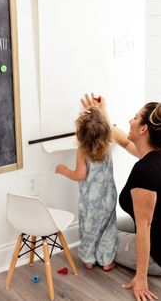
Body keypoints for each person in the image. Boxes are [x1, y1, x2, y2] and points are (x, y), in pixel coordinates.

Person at [81, 93, 161, 301]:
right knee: (102, 224)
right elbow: (125, 142)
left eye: (135, 118)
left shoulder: (144, 171)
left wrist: (141, 279)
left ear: (144, 129)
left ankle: (141, 268)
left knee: (96, 236)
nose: (130, 121)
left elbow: (144, 228)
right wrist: (103, 114)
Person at [55, 106, 117, 271]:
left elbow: (79, 175)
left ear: (80, 135)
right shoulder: (108, 144)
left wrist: (64, 170)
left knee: (89, 229)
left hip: (90, 202)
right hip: (109, 197)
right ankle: (106, 261)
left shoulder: (82, 151)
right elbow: (108, 128)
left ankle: (88, 260)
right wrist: (102, 110)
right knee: (107, 229)